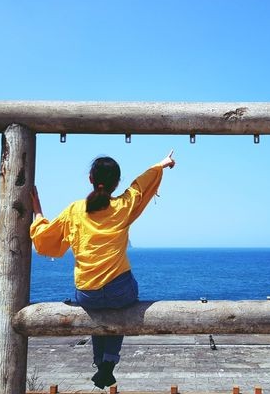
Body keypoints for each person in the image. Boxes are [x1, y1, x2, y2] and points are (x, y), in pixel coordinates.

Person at [30, 151, 176, 389]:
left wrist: (37, 211)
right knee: (119, 303)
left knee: (99, 310)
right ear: (117, 183)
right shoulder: (123, 206)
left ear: (90, 179)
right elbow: (140, 185)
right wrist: (162, 164)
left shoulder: (75, 211)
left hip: (87, 293)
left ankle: (100, 363)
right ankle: (108, 362)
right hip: (120, 292)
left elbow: (45, 240)